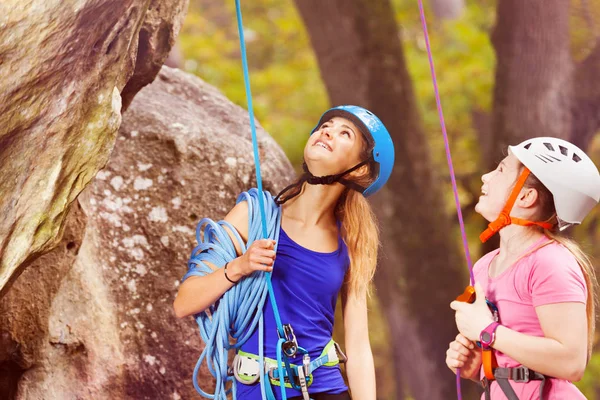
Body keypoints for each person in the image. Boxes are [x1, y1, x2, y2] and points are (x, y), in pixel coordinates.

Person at [174, 105, 395, 399]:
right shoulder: (253, 217)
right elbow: (184, 303)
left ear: (361, 169)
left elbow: (357, 346)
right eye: (325, 125)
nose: (327, 131)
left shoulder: (350, 241)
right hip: (258, 389)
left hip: (326, 388)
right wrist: (240, 266)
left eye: (345, 133)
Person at [446, 137, 600, 399]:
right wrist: (479, 368)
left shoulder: (550, 262)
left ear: (526, 197)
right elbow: (514, 364)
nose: (485, 177)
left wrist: (488, 331)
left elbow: (571, 363)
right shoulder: (485, 265)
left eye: (501, 170)